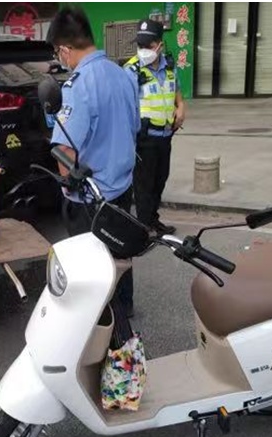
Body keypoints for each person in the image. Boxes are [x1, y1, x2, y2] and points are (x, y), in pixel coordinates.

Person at [46, 7, 140, 318]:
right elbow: (134, 128)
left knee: (92, 269)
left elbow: (64, 150)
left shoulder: (78, 86)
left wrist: (67, 185)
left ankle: (102, 324)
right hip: (122, 188)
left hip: (91, 199)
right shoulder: (123, 75)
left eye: (58, 53)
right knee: (120, 254)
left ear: (64, 49)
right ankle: (123, 315)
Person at [124, 19, 186, 235]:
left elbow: (178, 94)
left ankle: (152, 219)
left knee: (160, 181)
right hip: (144, 139)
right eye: (140, 45)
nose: (143, 50)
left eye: (148, 45)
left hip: (166, 136)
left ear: (159, 45)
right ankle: (143, 227)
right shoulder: (131, 71)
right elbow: (124, 107)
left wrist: (181, 107)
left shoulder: (169, 66)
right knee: (144, 185)